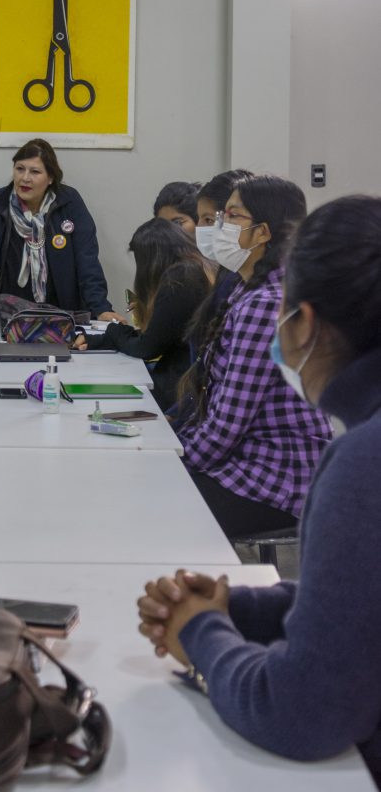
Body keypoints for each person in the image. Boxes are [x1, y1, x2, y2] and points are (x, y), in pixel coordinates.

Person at [137, 195, 381, 787]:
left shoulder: (363, 465)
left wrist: (199, 632)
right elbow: (360, 605)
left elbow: (301, 711)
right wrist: (239, 609)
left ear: (305, 323)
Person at [176, 175, 331, 538]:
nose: (219, 226)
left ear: (262, 232)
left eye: (231, 216)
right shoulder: (249, 290)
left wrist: (174, 461)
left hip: (271, 478)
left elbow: (226, 426)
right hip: (246, 462)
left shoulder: (265, 304)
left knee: (153, 499)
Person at [0, 138, 119, 323]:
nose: (25, 178)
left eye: (35, 171)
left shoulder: (69, 204)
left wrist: (101, 309)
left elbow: (87, 262)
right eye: (20, 169)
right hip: (4, 318)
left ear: (50, 178)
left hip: (61, 318)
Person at [73, 219, 211, 412]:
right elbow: (157, 335)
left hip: (178, 389)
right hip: (183, 378)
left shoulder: (180, 280)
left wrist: (113, 332)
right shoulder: (193, 269)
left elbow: (146, 348)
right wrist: (101, 339)